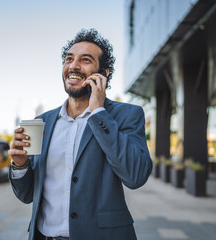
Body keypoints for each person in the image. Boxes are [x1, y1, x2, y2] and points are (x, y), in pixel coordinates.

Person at [8, 28, 152, 240]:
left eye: (85, 60)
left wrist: (99, 112)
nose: (73, 66)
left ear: (104, 73)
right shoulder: (42, 123)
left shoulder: (127, 115)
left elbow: (135, 176)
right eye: (69, 59)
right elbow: (27, 195)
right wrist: (20, 165)